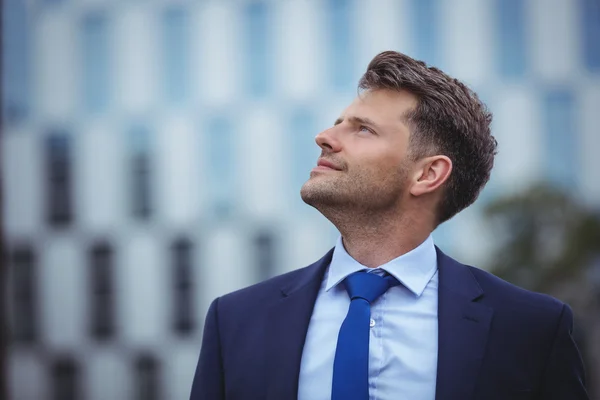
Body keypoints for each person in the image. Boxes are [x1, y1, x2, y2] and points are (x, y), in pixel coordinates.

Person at [189, 51, 588, 400]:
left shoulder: (531, 328)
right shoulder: (235, 320)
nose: (324, 137)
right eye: (337, 122)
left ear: (428, 174)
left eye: (362, 128)